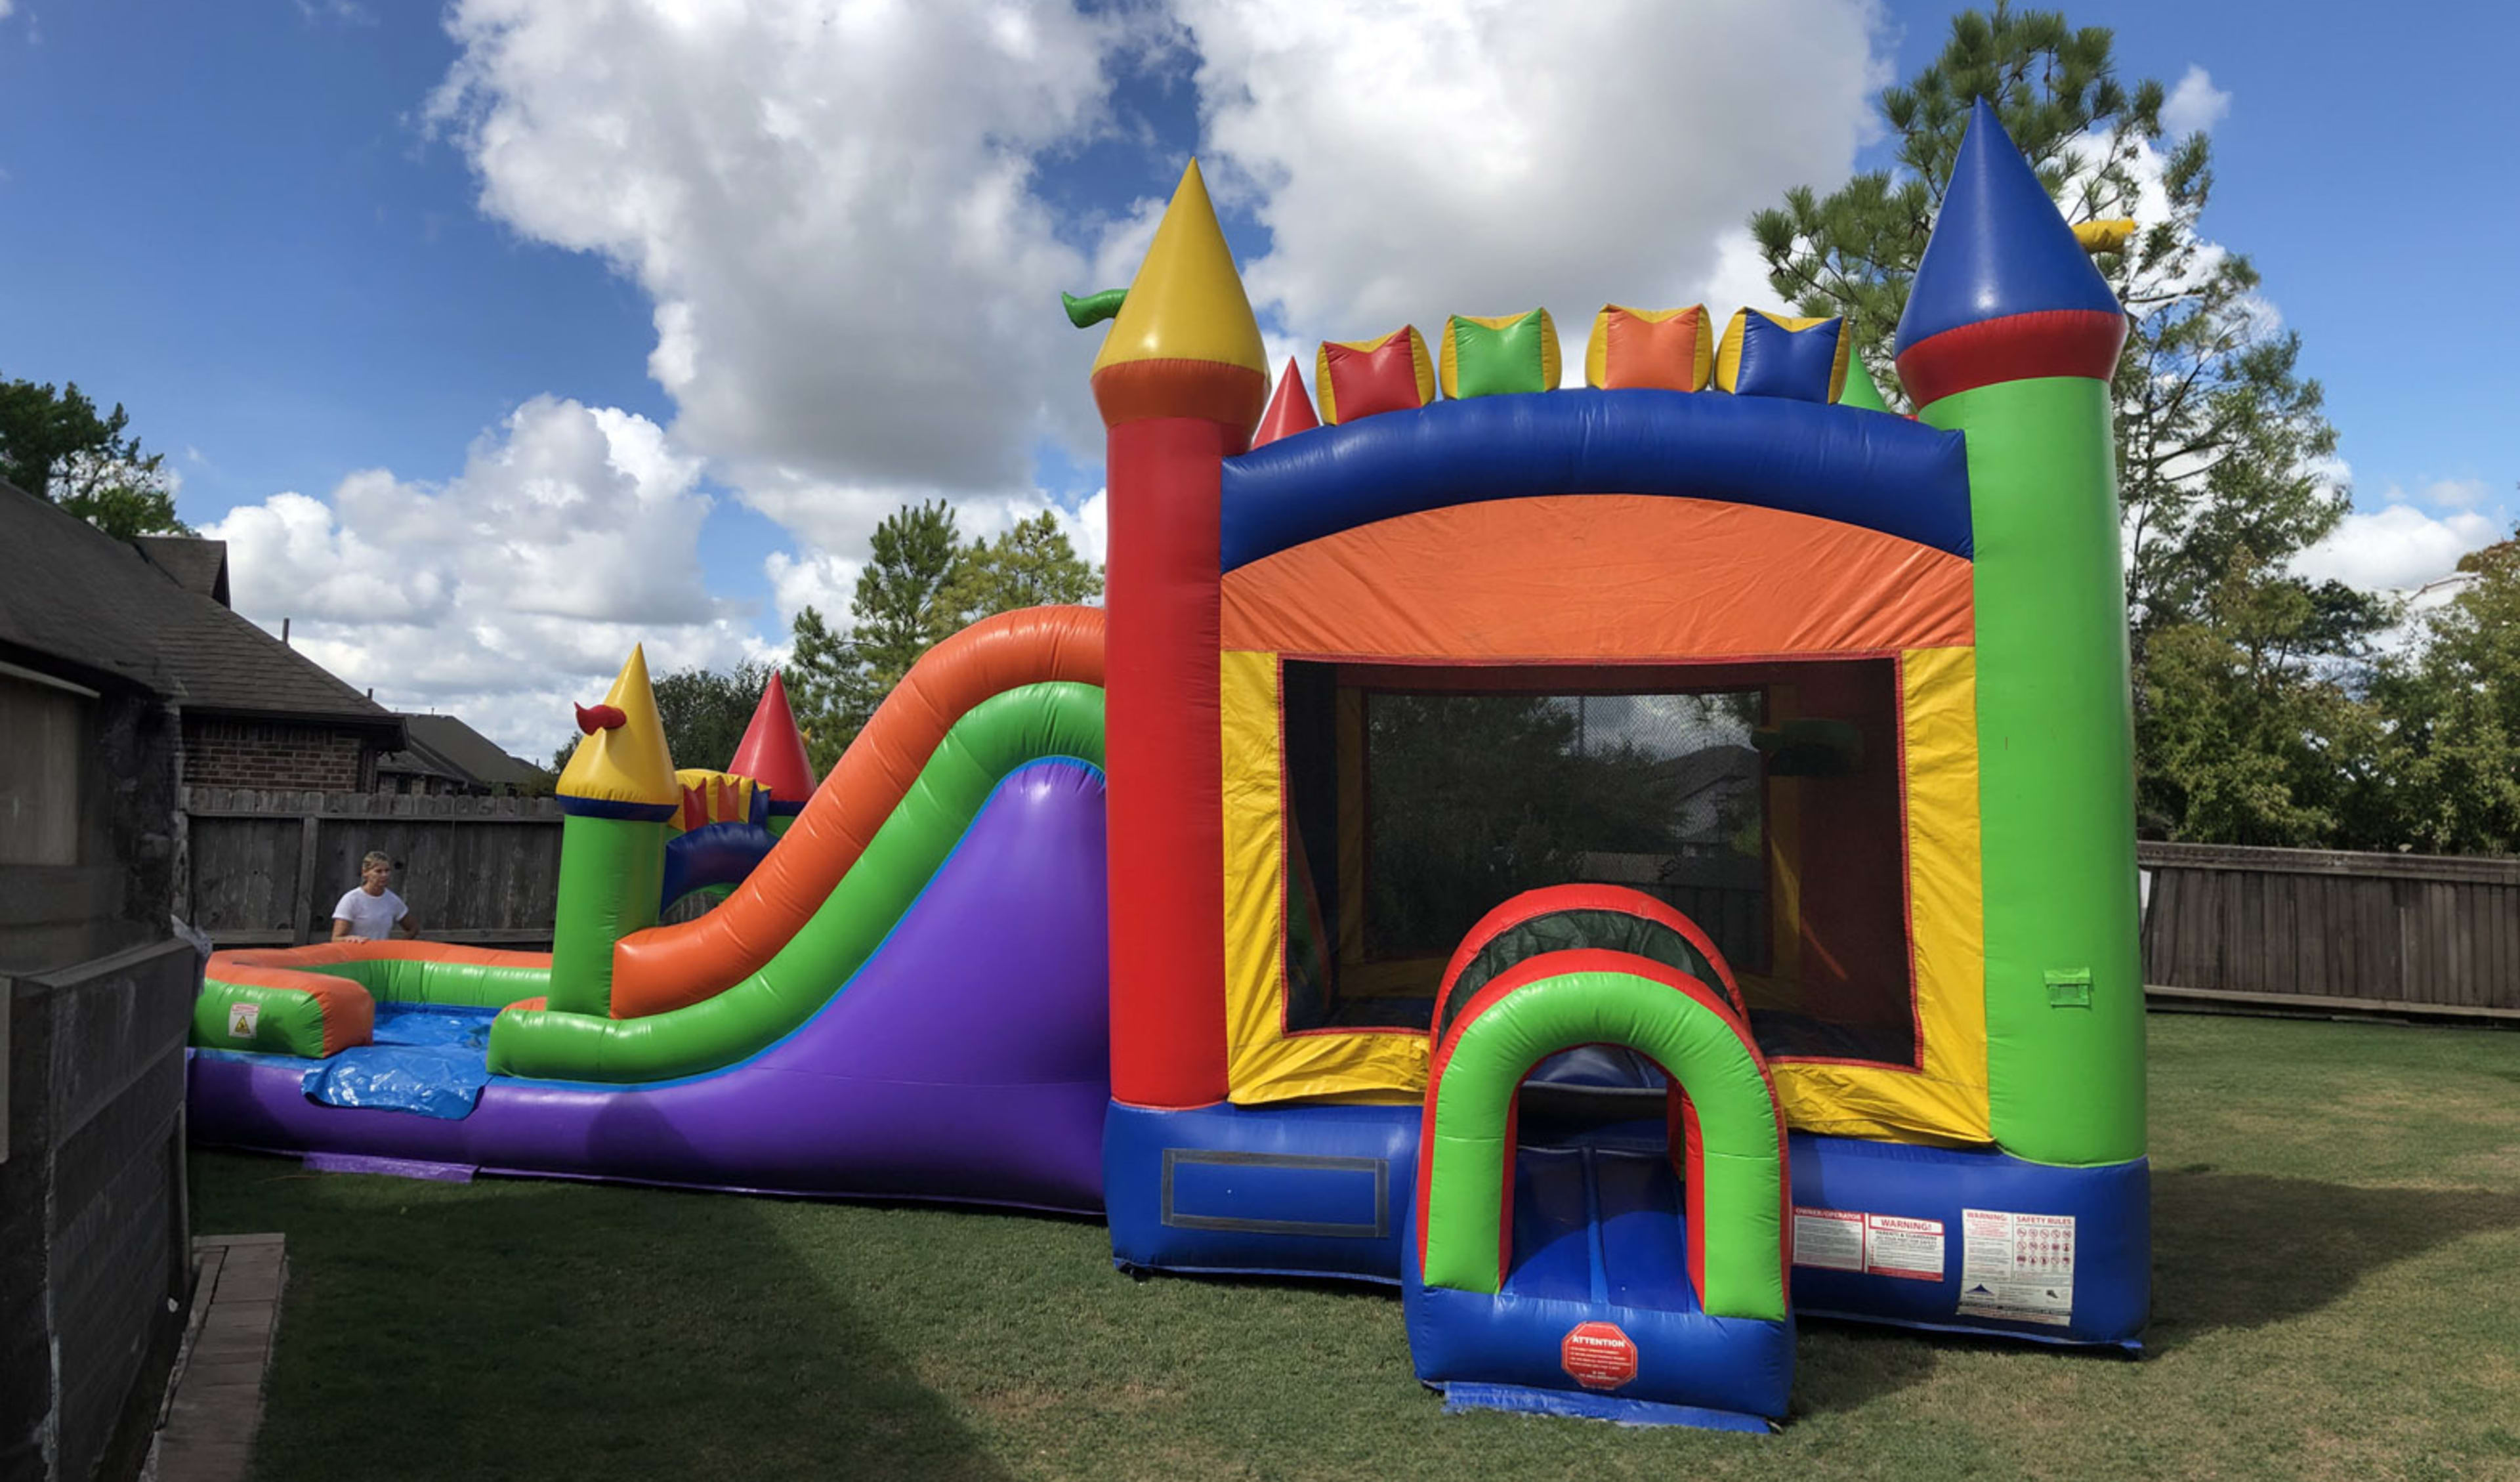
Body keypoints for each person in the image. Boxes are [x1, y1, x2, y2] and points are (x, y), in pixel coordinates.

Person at [333, 851, 418, 942]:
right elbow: (336, 939)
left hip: (381, 955)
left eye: (387, 871)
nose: (384, 875)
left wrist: (397, 948)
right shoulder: (351, 900)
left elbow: (413, 928)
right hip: (357, 954)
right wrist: (353, 940)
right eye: (379, 871)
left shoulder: (392, 900)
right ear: (365, 873)